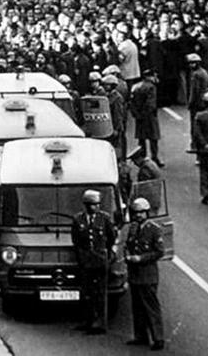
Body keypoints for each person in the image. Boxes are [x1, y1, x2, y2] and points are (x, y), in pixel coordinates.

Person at [71, 189, 117, 334]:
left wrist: (105, 254)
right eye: (91, 204)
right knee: (87, 292)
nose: (94, 207)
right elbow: (76, 240)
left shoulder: (104, 218)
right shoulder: (78, 220)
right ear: (86, 205)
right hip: (85, 261)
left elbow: (111, 238)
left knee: (100, 293)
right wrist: (82, 256)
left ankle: (100, 324)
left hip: (100, 260)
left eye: (97, 204)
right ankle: (88, 321)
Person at [124, 198, 165, 351]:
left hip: (148, 275)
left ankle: (158, 338)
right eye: (136, 213)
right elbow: (128, 244)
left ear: (147, 213)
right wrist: (128, 255)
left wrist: (140, 258)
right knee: (137, 307)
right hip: (135, 274)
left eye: (141, 212)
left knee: (151, 307)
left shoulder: (154, 229)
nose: (139, 215)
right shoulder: (133, 228)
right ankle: (140, 336)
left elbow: (159, 252)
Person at [130, 69, 163, 166]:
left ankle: (142, 157)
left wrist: (136, 114)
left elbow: (131, 102)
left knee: (141, 138)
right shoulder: (151, 87)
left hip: (139, 116)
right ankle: (154, 157)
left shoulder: (136, 86)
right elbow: (151, 104)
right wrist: (146, 113)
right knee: (153, 138)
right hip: (149, 116)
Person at [187, 54, 208, 149]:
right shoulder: (204, 72)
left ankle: (195, 144)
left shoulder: (195, 74)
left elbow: (194, 90)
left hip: (197, 103)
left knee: (195, 124)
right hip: (204, 101)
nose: (190, 65)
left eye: (192, 63)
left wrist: (190, 102)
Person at [102, 75, 126, 160]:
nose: (105, 86)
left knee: (117, 149)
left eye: (107, 85)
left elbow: (118, 114)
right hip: (108, 125)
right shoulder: (106, 96)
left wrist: (117, 128)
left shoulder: (117, 98)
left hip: (115, 126)